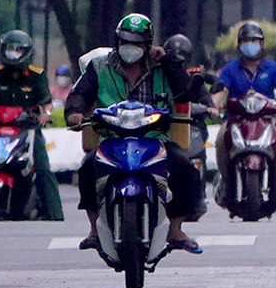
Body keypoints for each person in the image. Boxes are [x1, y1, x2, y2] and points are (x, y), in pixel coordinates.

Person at [64, 13, 202, 254]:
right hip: (112, 139)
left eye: (137, 43)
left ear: (148, 44)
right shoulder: (100, 66)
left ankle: (175, 229)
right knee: (87, 169)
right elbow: (80, 93)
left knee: (185, 169)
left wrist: (167, 61)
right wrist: (74, 112)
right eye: (125, 42)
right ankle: (94, 229)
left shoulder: (163, 67)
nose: (130, 47)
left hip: (155, 140)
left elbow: (185, 91)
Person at [0, 30, 62, 220]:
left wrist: (46, 114)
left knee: (42, 168)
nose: (13, 53)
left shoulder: (36, 75)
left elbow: (46, 103)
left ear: (27, 52)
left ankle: (54, 213)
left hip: (27, 129)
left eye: (18, 50)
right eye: (10, 49)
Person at [208, 20, 276, 208]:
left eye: (255, 41)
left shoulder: (272, 68)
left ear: (262, 44)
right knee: (221, 140)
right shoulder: (231, 69)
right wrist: (213, 105)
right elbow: (221, 90)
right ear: (239, 45)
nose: (251, 45)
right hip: (235, 120)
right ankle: (226, 181)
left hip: (266, 120)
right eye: (246, 41)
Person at [163, 34, 213, 218]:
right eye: (173, 57)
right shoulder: (157, 77)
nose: (177, 63)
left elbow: (206, 100)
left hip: (190, 127)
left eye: (181, 58)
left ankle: (195, 196)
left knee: (187, 164)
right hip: (163, 129)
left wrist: (209, 108)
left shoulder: (193, 79)